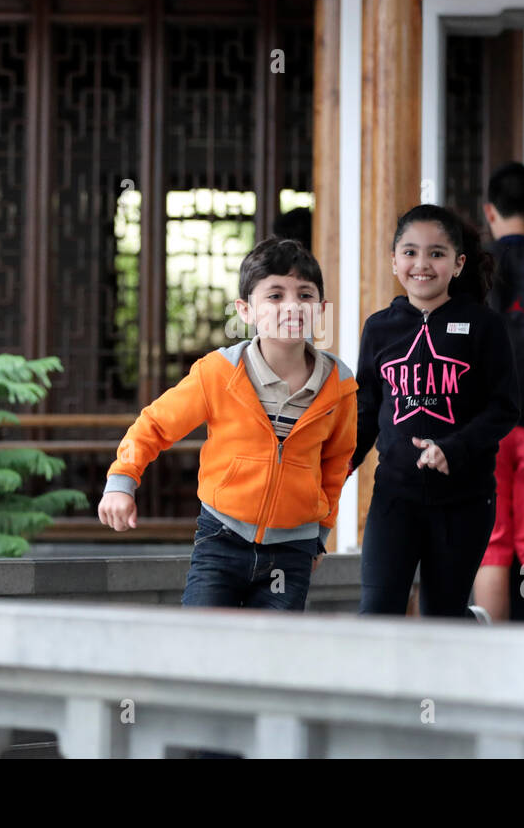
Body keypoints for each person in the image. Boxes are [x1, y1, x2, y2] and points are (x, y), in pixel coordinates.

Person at [97, 237, 358, 611]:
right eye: (275, 295)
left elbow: (337, 463)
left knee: (268, 660)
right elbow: (154, 424)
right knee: (200, 646)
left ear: (321, 309)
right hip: (222, 536)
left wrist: (320, 536)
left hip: (292, 550)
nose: (292, 306)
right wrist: (122, 481)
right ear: (246, 310)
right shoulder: (219, 373)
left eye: (305, 295)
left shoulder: (341, 385)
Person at [352, 205, 521, 619]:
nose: (421, 264)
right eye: (410, 252)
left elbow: (505, 408)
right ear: (394, 261)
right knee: (376, 612)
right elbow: (366, 409)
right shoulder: (379, 328)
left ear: (458, 263)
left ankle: (463, 632)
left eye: (437, 253)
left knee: (441, 617)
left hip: (464, 501)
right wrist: (334, 468)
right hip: (394, 495)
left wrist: (454, 448)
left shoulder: (484, 327)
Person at [472, 162, 524, 625]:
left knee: (493, 542)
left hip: (487, 427)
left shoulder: (476, 268)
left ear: (489, 212)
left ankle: (490, 665)